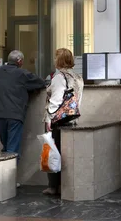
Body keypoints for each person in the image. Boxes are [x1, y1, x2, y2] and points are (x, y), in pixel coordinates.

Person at [0, 50, 46, 160]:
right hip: (14, 115)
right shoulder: (22, 74)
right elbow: (40, 83)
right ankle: (8, 176)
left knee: (5, 149)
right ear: (19, 61)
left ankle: (3, 174)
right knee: (12, 151)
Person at [43, 48, 84, 196]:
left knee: (53, 152)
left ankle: (53, 186)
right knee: (66, 154)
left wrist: (49, 119)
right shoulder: (77, 76)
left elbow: (56, 101)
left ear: (58, 60)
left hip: (57, 121)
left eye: (55, 58)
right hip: (71, 119)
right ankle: (64, 186)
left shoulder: (59, 77)